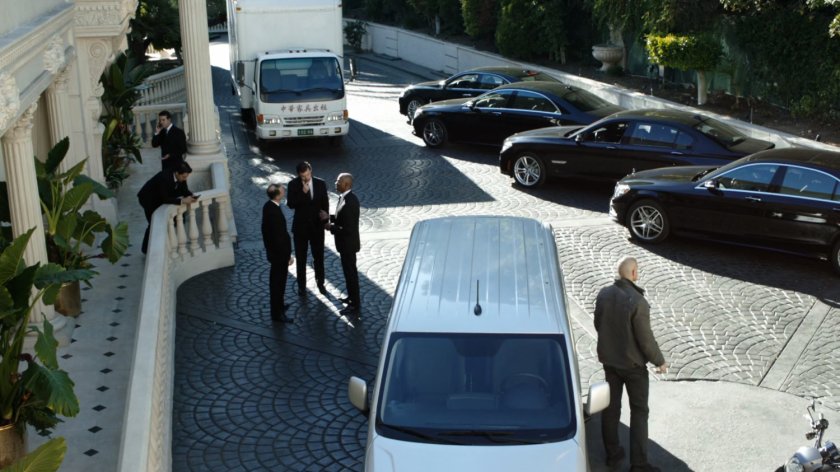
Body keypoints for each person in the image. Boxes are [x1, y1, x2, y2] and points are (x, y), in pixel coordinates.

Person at [594, 256, 667, 472]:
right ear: (634, 273)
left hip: (610, 362)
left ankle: (613, 455)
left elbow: (598, 323)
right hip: (633, 367)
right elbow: (645, 339)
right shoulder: (638, 302)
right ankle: (639, 465)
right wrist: (659, 360)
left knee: (611, 409)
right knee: (639, 412)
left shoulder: (604, 294)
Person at [286, 161, 329, 296]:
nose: (307, 178)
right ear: (299, 175)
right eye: (303, 176)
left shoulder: (320, 183)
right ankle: (302, 286)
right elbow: (291, 204)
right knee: (301, 258)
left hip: (317, 227)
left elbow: (325, 204)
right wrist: (303, 193)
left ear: (311, 170)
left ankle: (320, 282)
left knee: (319, 257)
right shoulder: (293, 185)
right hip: (301, 228)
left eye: (308, 174)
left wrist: (326, 219)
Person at [137, 161, 198, 255]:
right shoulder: (164, 178)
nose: (185, 179)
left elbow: (184, 190)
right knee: (153, 223)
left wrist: (191, 195)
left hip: (158, 197)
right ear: (177, 173)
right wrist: (182, 201)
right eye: (184, 176)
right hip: (148, 199)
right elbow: (165, 198)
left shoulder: (181, 176)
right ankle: (146, 250)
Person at [324, 173, 361, 317]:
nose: (335, 183)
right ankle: (351, 298)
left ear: (346, 184)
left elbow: (348, 228)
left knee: (351, 275)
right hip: (345, 245)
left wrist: (330, 227)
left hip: (348, 245)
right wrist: (329, 217)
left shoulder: (350, 201)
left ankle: (354, 304)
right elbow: (342, 219)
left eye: (338, 181)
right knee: (348, 274)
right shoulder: (345, 197)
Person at [262, 184, 295, 323]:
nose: (284, 190)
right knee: (278, 284)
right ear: (278, 195)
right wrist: (288, 255)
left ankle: (279, 306)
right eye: (282, 190)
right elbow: (279, 237)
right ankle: (277, 313)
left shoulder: (268, 206)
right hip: (279, 255)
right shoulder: (273, 212)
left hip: (275, 253)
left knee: (278, 282)